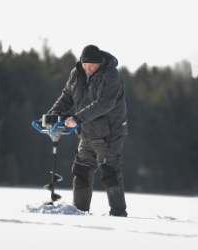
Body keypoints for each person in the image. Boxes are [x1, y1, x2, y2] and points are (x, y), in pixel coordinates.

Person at [46, 45, 128, 217]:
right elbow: (67, 97)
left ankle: (118, 214)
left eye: (92, 66)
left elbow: (104, 104)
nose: (88, 69)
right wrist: (52, 115)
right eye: (85, 65)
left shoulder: (111, 76)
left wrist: (77, 118)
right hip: (87, 132)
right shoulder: (76, 74)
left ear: (100, 63)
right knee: (81, 169)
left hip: (109, 133)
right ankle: (79, 212)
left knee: (109, 171)